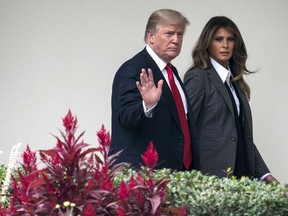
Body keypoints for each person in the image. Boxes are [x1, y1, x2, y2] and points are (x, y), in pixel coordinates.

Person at [184, 16, 279, 183]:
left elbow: (241, 136)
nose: (225, 45)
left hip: (240, 175)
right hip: (209, 178)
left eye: (230, 39)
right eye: (218, 39)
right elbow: (185, 130)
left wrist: (265, 175)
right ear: (207, 43)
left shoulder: (235, 81)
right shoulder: (198, 78)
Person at [110, 9, 199, 171]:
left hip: (175, 173)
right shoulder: (133, 69)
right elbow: (126, 117)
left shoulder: (172, 73)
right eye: (169, 34)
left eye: (180, 35)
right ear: (151, 37)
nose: (176, 40)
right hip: (144, 176)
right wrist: (146, 105)